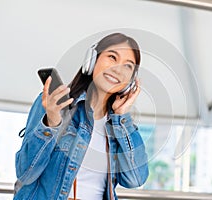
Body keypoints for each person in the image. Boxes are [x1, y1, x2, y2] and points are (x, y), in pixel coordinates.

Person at [13, 32, 149, 200]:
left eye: (128, 66)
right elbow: (26, 173)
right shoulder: (55, 104)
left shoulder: (119, 125)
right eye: (112, 57)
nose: (118, 69)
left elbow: (135, 180)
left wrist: (122, 119)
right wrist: (52, 122)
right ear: (92, 60)